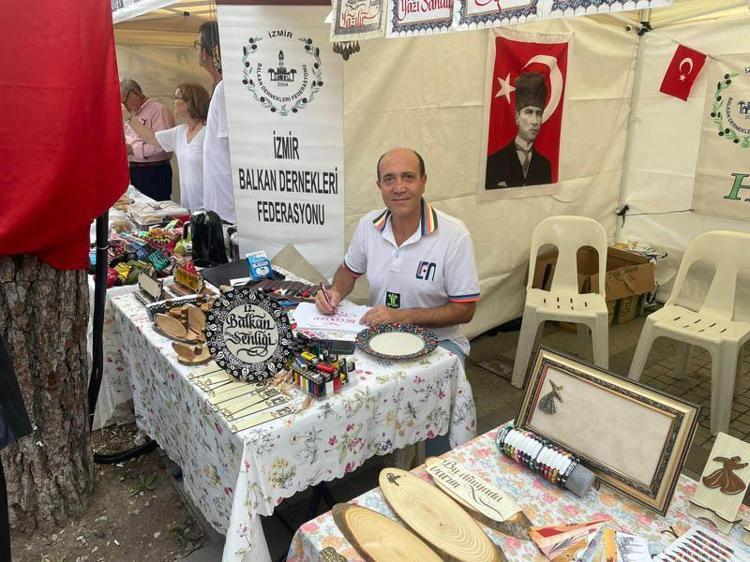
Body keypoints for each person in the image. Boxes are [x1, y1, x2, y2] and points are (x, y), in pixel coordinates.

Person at [315, 148, 480, 364]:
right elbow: (348, 270)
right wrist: (335, 291)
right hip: (378, 338)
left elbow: (465, 310)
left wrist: (402, 317)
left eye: (408, 177)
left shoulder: (454, 234)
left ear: (423, 182)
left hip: (440, 343)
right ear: (379, 186)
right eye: (389, 179)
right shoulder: (368, 225)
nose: (399, 188)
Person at [127, 83, 210, 213]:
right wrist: (130, 119)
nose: (174, 101)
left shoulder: (208, 133)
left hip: (209, 207)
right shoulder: (179, 132)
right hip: (188, 208)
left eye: (177, 98)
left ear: (190, 103)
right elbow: (152, 138)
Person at [196, 21, 235, 223]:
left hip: (227, 200)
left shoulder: (225, 89)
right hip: (221, 196)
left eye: (197, 45)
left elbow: (230, 145)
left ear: (205, 52)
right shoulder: (221, 87)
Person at [486, 72, 552, 189]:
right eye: (529, 112)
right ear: (517, 117)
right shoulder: (493, 162)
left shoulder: (544, 165)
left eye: (538, 113)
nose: (535, 121)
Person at [121, 78, 176, 201]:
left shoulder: (158, 111)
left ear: (134, 93)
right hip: (134, 170)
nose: (124, 106)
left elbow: (162, 146)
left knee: (157, 208)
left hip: (154, 172)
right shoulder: (131, 112)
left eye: (124, 101)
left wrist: (133, 150)